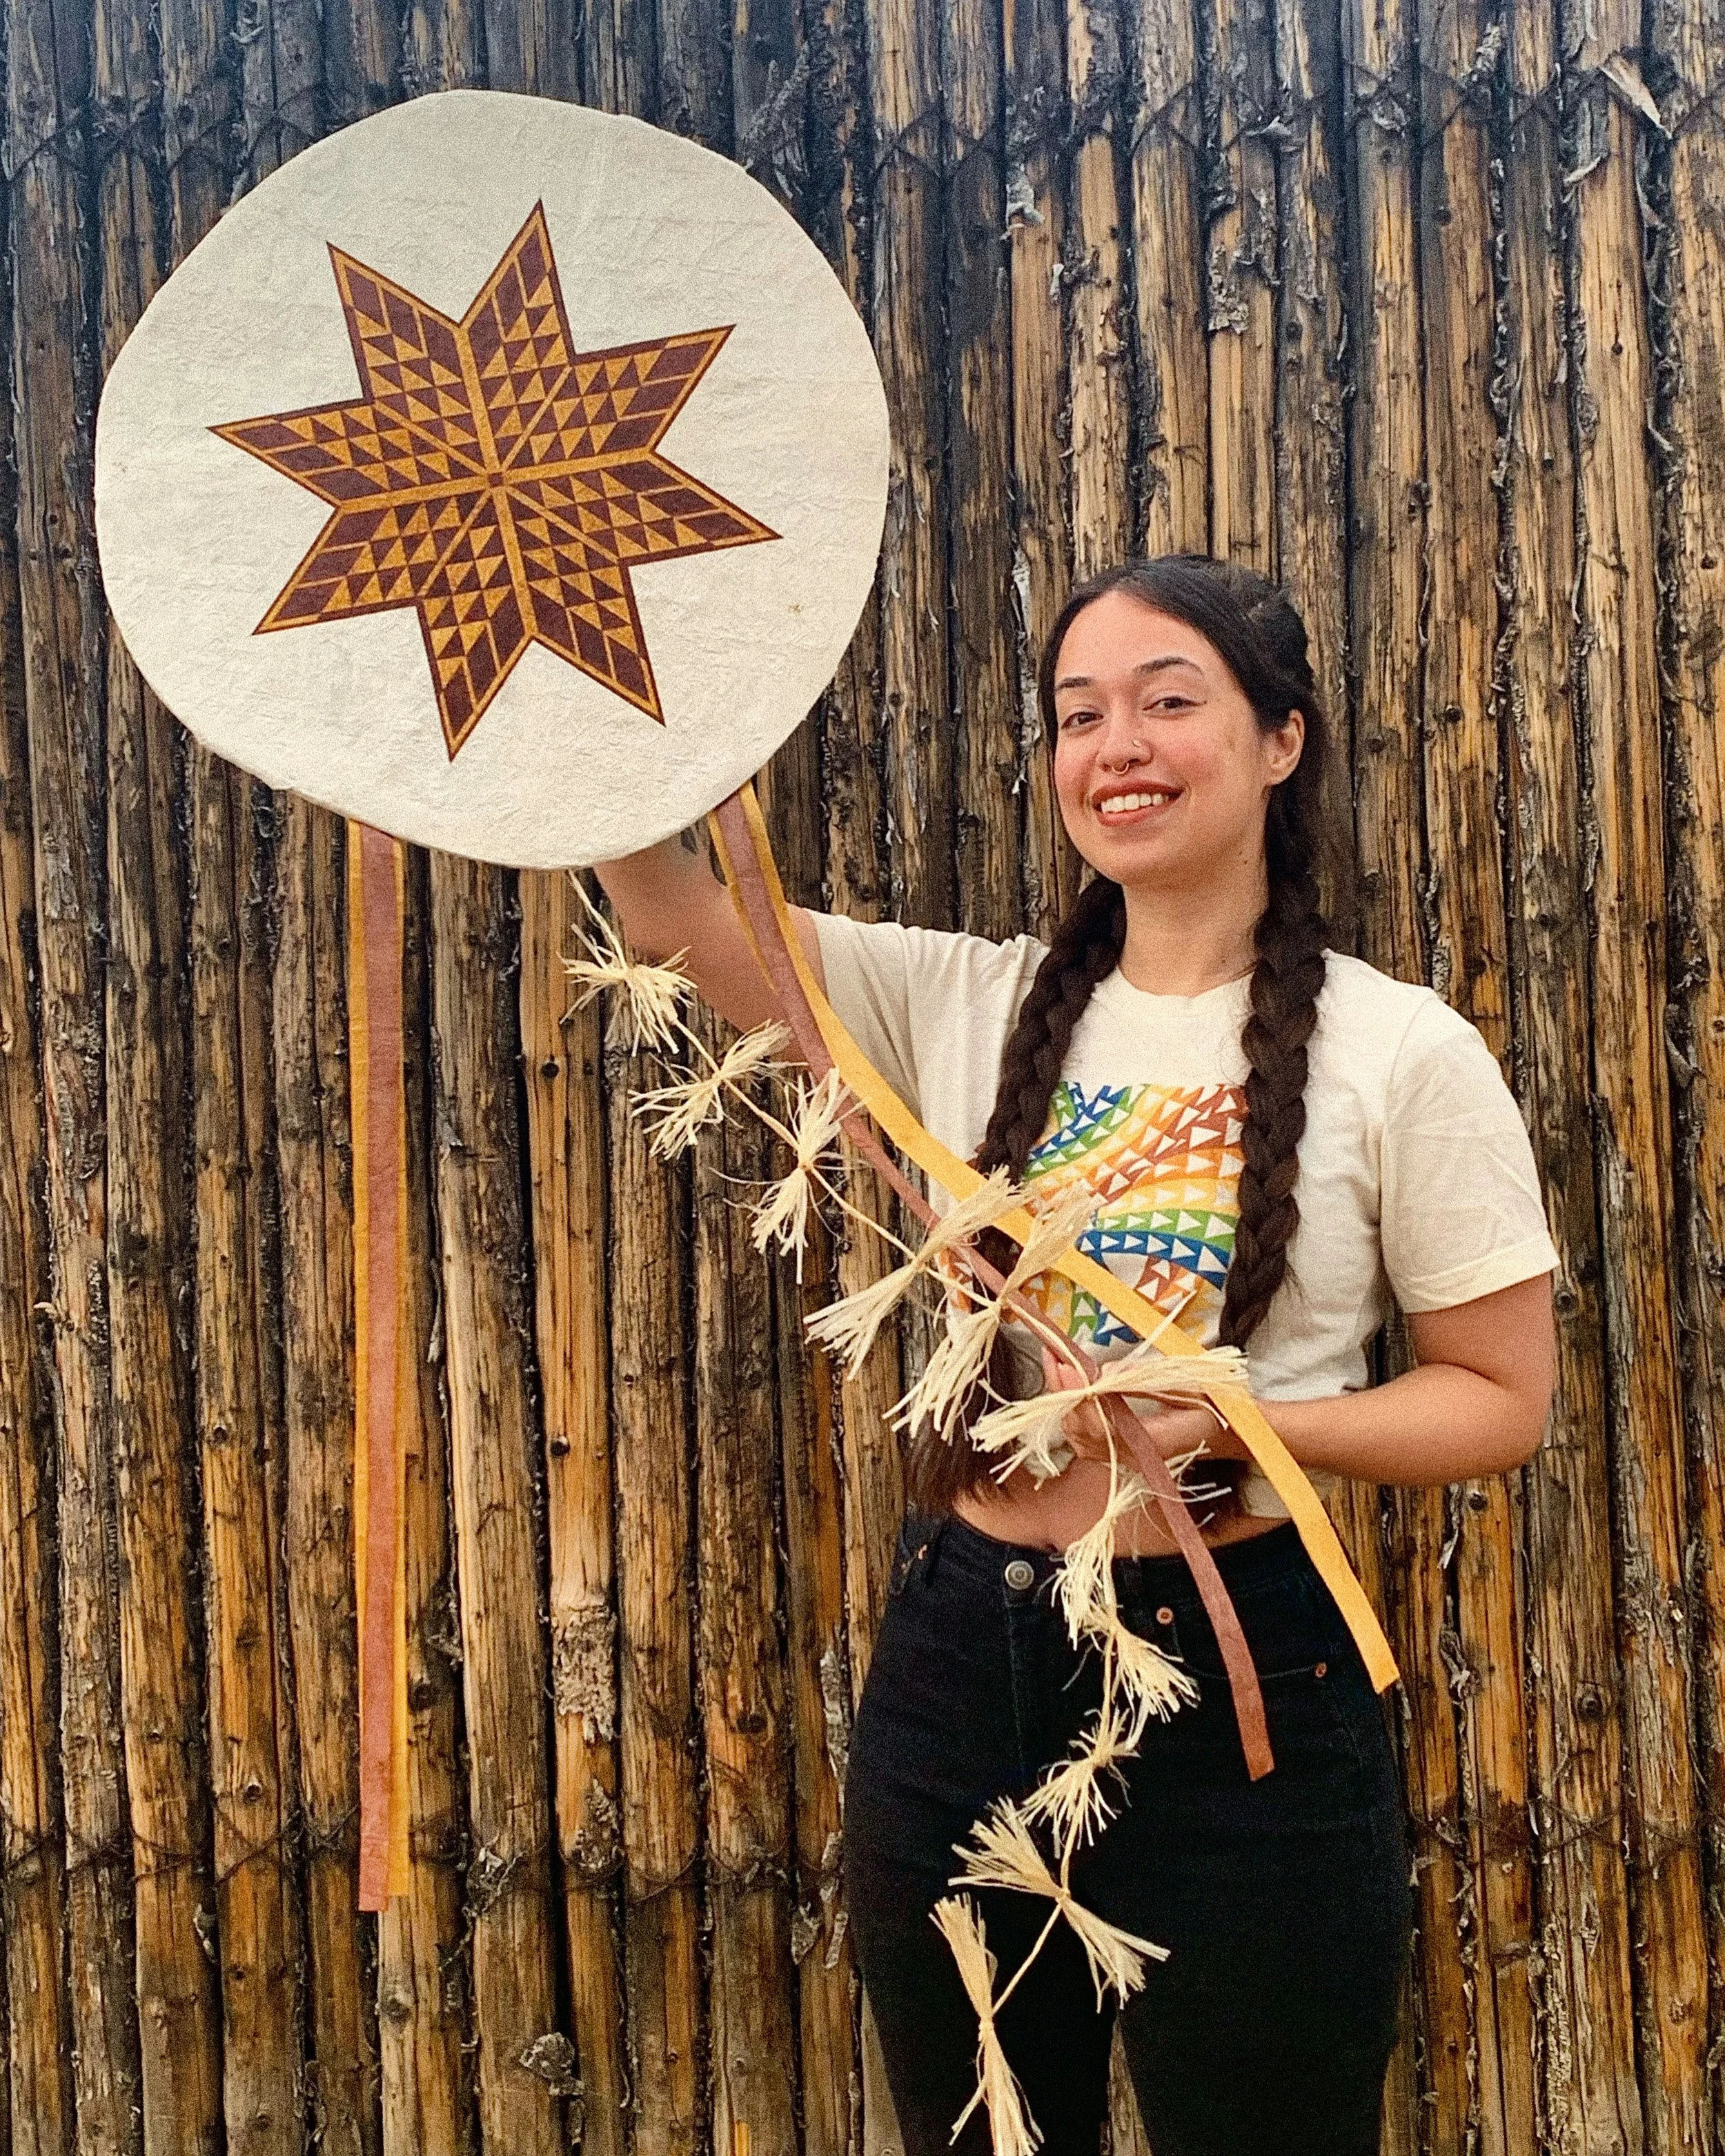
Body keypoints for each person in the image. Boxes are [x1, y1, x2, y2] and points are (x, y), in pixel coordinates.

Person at [594, 557, 1559, 2156]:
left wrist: (1247, 1419)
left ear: (1279, 739)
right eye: (1077, 713)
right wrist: (576, 742)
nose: (1116, 745)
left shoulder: (1398, 1050)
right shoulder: (957, 999)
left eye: (1167, 701)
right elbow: (684, 918)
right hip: (964, 1664)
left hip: (1248, 1678)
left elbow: (1498, 1398)